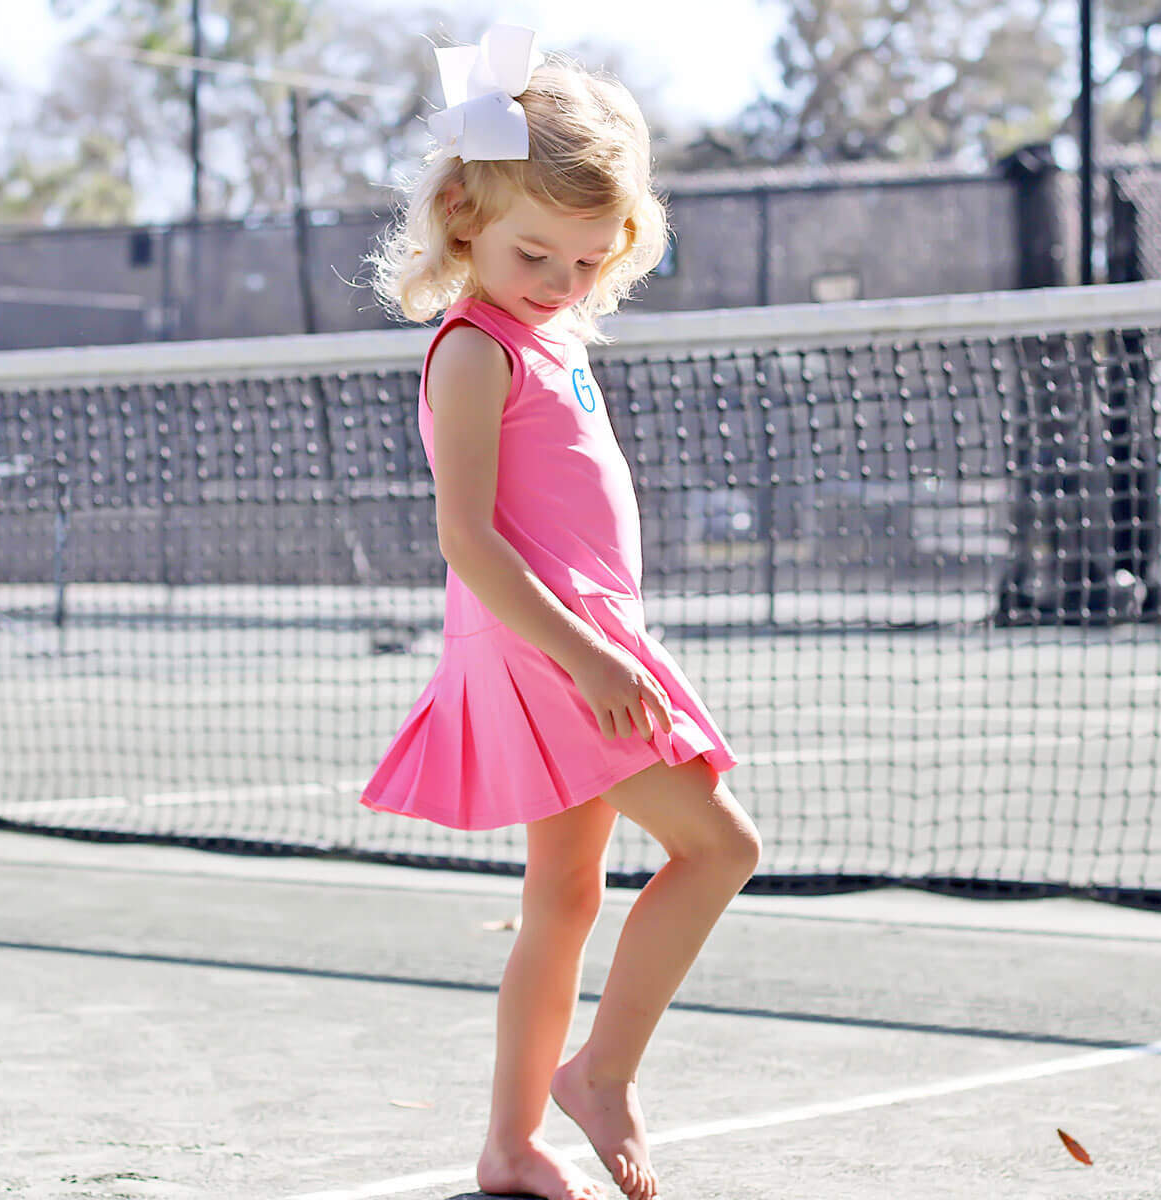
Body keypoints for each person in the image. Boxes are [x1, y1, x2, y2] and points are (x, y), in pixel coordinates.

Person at [362, 24, 761, 1200]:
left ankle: (509, 1145)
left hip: (577, 639)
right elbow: (468, 541)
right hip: (545, 646)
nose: (559, 281)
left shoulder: (551, 336)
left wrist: (603, 641)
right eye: (536, 253)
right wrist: (589, 656)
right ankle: (603, 1076)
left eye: (586, 262)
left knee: (566, 896)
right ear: (465, 215)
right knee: (721, 847)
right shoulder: (474, 353)